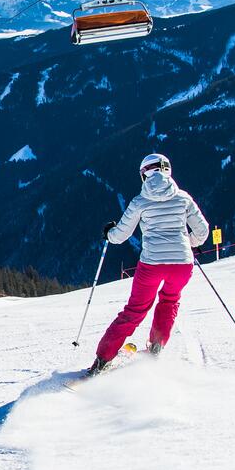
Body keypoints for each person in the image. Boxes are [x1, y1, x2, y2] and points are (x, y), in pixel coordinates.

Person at [90, 154, 209, 375]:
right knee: (170, 301)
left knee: (135, 310)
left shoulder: (140, 201)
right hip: (182, 265)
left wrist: (108, 233)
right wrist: (187, 244)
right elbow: (202, 231)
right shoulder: (184, 199)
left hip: (152, 264)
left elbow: (120, 236)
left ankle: (102, 360)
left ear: (144, 174)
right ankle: (155, 348)